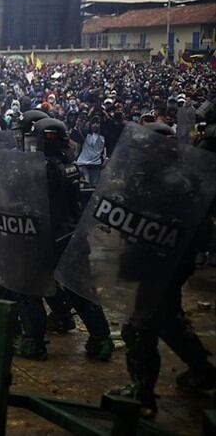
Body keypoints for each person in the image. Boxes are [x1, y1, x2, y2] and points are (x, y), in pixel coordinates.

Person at [109, 121, 216, 417]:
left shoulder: (171, 184)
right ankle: (201, 370)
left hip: (159, 266)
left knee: (139, 328)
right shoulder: (171, 178)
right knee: (168, 319)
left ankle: (141, 394)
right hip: (167, 265)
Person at [13, 119, 112, 361]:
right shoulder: (69, 165)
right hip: (70, 235)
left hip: (44, 237)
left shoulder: (42, 169)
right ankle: (101, 339)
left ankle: (32, 342)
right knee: (79, 291)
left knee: (29, 288)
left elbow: (26, 203)